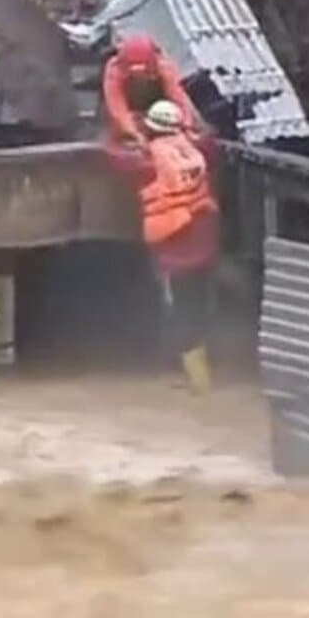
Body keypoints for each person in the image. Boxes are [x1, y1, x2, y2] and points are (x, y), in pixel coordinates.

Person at [103, 44, 220, 393]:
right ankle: (204, 372)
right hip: (206, 240)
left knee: (181, 311)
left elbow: (111, 155)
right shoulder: (197, 149)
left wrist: (124, 132)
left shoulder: (148, 162)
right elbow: (209, 137)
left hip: (176, 250)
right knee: (199, 306)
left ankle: (199, 382)